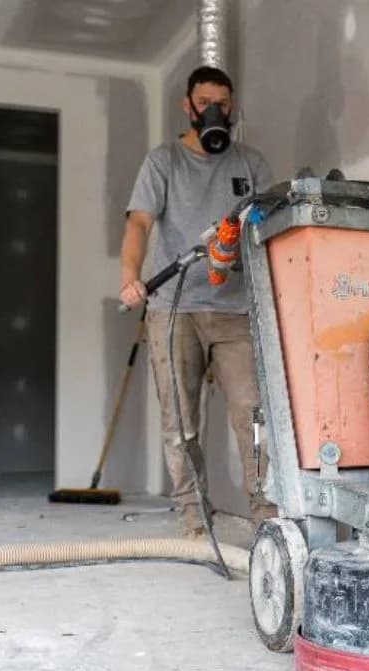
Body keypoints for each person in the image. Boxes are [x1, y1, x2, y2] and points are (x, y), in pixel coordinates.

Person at [119, 65, 277, 537]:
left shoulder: (252, 164)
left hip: (237, 311)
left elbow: (269, 231)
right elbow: (139, 223)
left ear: (233, 108)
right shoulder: (163, 161)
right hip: (174, 307)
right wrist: (130, 278)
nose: (214, 112)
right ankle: (194, 519)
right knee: (181, 422)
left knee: (254, 415)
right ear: (187, 107)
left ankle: (266, 515)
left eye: (222, 104)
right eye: (205, 103)